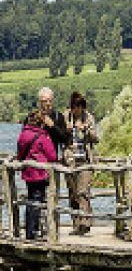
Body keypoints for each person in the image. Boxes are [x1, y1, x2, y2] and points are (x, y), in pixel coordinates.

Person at [17, 110, 58, 240]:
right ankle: (33, 231)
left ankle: (29, 230)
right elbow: (52, 155)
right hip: (40, 173)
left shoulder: (23, 134)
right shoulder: (42, 136)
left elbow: (19, 153)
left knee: (30, 199)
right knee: (38, 200)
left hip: (28, 172)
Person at [64, 92, 99, 235]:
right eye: (75, 107)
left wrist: (85, 130)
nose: (77, 110)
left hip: (85, 160)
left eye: (80, 108)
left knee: (82, 192)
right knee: (72, 194)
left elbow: (96, 138)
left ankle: (86, 222)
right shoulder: (66, 117)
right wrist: (66, 130)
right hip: (70, 160)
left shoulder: (89, 118)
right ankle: (76, 224)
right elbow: (59, 135)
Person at [29, 87, 69, 154]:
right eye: (45, 101)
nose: (48, 104)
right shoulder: (32, 117)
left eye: (50, 101)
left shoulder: (58, 117)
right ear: (39, 102)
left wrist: (53, 126)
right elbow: (25, 139)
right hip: (34, 157)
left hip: (51, 158)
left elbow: (65, 140)